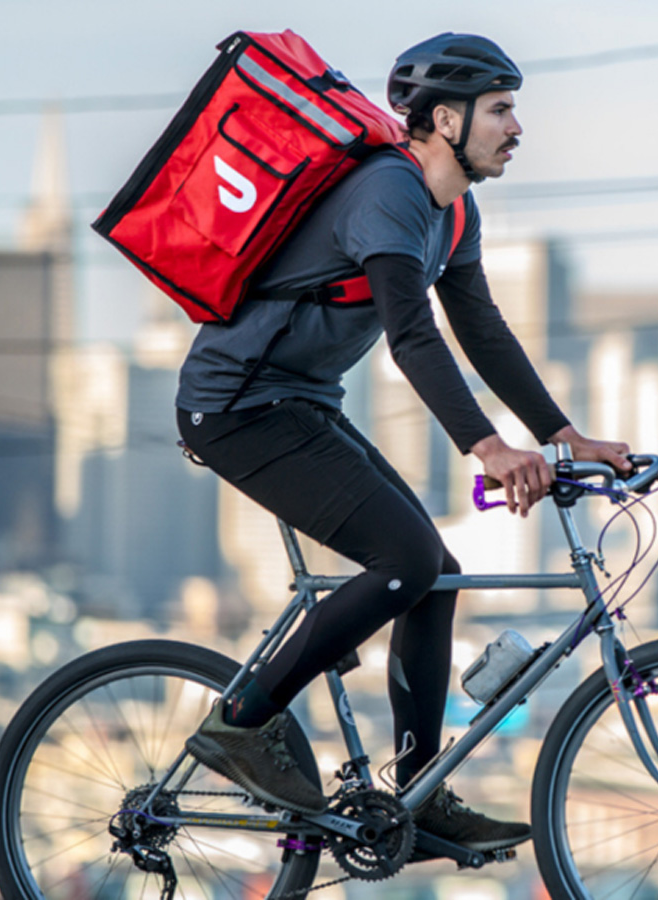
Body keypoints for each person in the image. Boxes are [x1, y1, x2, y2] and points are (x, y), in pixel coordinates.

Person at [173, 33, 630, 854]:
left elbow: (481, 331)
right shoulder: (389, 192)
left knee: (435, 572)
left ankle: (415, 795)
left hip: (300, 402)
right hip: (237, 408)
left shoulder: (454, 211)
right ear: (445, 119)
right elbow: (412, 337)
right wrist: (490, 451)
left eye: (513, 108)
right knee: (407, 561)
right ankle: (242, 724)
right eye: (501, 110)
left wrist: (566, 438)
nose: (516, 126)